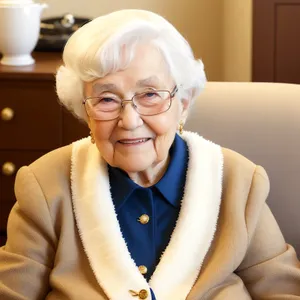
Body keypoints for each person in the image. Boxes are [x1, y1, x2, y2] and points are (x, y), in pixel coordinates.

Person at [0, 9, 300, 300]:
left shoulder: (239, 182)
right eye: (106, 99)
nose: (129, 121)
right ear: (85, 112)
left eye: (150, 95)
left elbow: (284, 291)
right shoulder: (45, 184)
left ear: (183, 102)